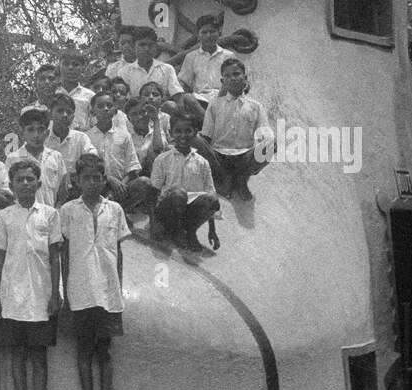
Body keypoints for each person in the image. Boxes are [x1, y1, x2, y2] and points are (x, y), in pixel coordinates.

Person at [60, 155, 130, 390]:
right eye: (86, 177)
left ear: (104, 180)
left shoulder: (114, 210)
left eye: (97, 177)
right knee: (84, 352)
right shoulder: (67, 211)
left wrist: (118, 289)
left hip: (107, 292)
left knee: (105, 353)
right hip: (80, 291)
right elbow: (63, 254)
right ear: (77, 180)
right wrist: (64, 292)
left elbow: (119, 253)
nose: (92, 182)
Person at [0, 159, 63, 390]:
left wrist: (56, 293)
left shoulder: (50, 214)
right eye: (19, 179)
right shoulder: (4, 216)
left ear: (39, 183)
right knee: (17, 356)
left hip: (41, 296)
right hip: (12, 297)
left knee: (39, 357)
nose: (25, 184)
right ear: (12, 185)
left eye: (30, 179)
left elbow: (55, 256)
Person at [137, 114, 220, 251]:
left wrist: (212, 230)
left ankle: (190, 232)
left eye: (188, 131)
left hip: (188, 214)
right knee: (179, 194)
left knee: (211, 199)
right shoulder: (163, 159)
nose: (183, 135)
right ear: (171, 133)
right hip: (166, 212)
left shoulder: (202, 163)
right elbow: (153, 192)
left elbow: (210, 193)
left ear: (195, 133)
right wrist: (153, 222)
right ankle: (178, 231)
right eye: (178, 131)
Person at [198, 59, 274, 201]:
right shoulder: (215, 104)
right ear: (222, 81)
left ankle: (241, 178)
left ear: (244, 78)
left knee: (271, 145)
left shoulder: (255, 106)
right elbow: (206, 135)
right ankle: (224, 176)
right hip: (219, 157)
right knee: (197, 140)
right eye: (227, 76)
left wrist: (266, 142)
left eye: (236, 74)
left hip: (243, 158)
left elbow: (265, 133)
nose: (232, 78)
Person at [84, 90, 142, 206]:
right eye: (100, 106)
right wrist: (109, 179)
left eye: (109, 106)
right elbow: (86, 166)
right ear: (93, 112)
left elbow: (133, 167)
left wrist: (120, 185)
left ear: (115, 110)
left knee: (144, 183)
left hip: (122, 185)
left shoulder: (124, 135)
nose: (106, 109)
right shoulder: (86, 137)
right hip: (97, 185)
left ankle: (123, 208)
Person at [178, 14, 239, 123]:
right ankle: (212, 124)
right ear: (198, 35)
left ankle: (210, 124)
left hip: (223, 97)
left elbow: (236, 80)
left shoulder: (229, 56)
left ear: (219, 32)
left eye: (212, 31)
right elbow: (185, 82)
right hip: (200, 100)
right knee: (188, 98)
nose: (208, 35)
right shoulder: (191, 57)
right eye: (204, 32)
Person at [5, 106, 68, 208]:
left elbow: (62, 192)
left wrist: (55, 213)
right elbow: (10, 194)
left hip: (50, 217)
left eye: (40, 130)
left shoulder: (56, 157)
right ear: (22, 133)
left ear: (47, 133)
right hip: (22, 217)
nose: (36, 135)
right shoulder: (13, 159)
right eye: (30, 130)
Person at [117, 27, 183, 103]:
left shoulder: (167, 69)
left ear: (155, 47)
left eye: (151, 45)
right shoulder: (124, 73)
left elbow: (177, 96)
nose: (146, 48)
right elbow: (124, 100)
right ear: (134, 47)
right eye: (142, 45)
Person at [47, 93, 90, 181]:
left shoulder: (81, 139)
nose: (65, 115)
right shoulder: (41, 138)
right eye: (60, 111)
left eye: (69, 112)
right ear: (50, 114)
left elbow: (92, 161)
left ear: (73, 117)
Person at [58, 48, 94, 131]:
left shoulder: (90, 96)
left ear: (82, 68)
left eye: (75, 64)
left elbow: (94, 124)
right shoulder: (53, 94)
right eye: (66, 64)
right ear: (59, 67)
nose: (70, 68)